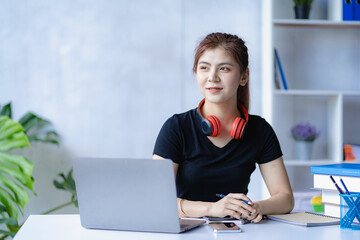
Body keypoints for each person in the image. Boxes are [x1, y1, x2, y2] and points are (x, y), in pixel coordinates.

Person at [153, 32, 294, 223]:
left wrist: (253, 208)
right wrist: (213, 208)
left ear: (243, 77)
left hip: (236, 231)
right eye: (204, 68)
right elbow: (156, 200)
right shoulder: (176, 128)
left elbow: (285, 198)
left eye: (224, 69)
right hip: (185, 231)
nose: (212, 77)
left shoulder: (260, 130)